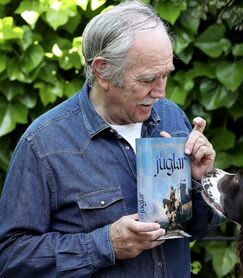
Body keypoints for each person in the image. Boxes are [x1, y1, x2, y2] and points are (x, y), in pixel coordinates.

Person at [0, 1, 219, 277]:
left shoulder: (171, 118)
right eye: (148, 79)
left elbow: (199, 228)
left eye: (166, 75)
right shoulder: (43, 145)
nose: (161, 92)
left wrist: (202, 182)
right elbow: (10, 258)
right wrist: (105, 245)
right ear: (102, 71)